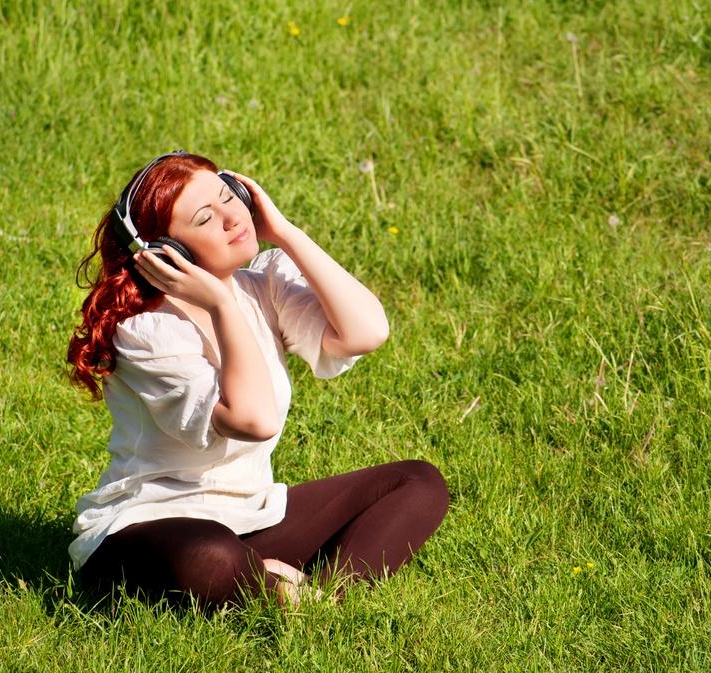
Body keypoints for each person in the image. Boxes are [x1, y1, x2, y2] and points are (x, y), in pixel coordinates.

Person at [65, 151, 449, 608]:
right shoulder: (147, 331)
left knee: (418, 483)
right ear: (166, 253)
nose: (232, 218)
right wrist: (221, 306)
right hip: (149, 528)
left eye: (232, 197)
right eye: (206, 218)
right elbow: (254, 420)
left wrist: (285, 233)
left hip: (250, 515)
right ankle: (274, 588)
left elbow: (367, 332)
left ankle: (323, 602)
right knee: (211, 555)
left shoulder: (262, 284)